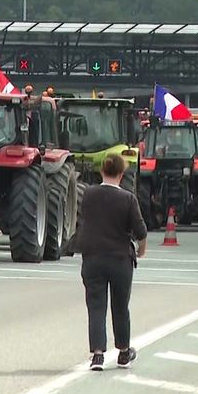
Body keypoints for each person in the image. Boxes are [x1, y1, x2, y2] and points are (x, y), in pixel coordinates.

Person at [75, 153, 148, 371]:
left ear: (101, 171)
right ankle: (124, 352)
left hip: (93, 258)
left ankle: (97, 355)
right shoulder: (128, 199)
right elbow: (141, 231)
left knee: (96, 306)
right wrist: (141, 250)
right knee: (120, 306)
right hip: (120, 260)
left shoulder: (88, 194)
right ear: (122, 174)